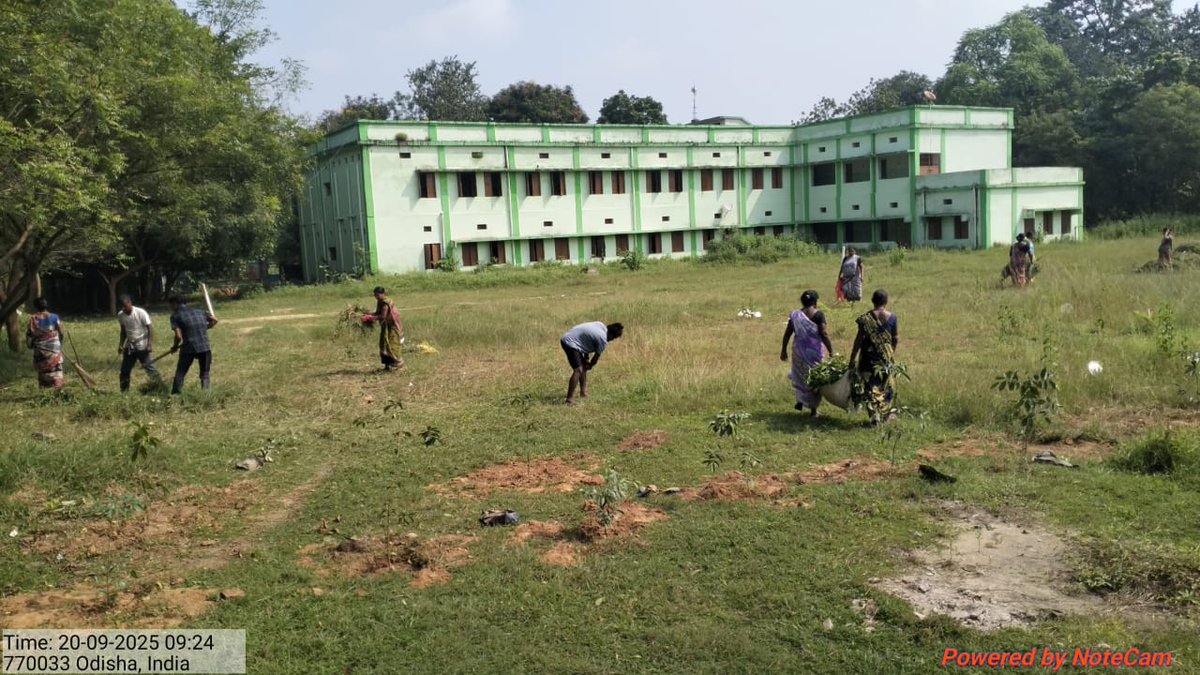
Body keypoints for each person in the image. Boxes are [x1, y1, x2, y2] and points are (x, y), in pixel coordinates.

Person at [780, 290, 834, 416]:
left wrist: (783, 349)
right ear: (815, 302)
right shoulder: (818, 315)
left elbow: (788, 333)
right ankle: (813, 410)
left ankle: (800, 400)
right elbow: (824, 334)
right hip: (814, 353)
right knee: (814, 379)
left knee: (800, 375)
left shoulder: (795, 315)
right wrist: (831, 350)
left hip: (798, 351)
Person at [849, 289, 899, 425]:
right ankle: (885, 415)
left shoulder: (865, 319)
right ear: (886, 301)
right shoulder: (892, 318)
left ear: (872, 301)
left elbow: (858, 341)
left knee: (871, 387)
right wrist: (890, 352)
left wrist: (852, 358)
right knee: (886, 386)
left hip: (868, 359)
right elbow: (895, 338)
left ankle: (875, 418)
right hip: (885, 358)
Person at [560, 321, 623, 405]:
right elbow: (595, 358)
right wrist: (590, 365)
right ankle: (569, 399)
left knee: (583, 367)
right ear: (612, 335)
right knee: (578, 370)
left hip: (569, 337)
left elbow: (586, 340)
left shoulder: (600, 325)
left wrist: (586, 358)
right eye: (613, 338)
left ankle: (583, 392)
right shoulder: (603, 339)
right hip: (570, 342)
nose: (611, 340)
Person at [168, 294, 218, 394]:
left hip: (188, 347)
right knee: (205, 373)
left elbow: (178, 336)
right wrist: (203, 329)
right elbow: (214, 321)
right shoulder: (199, 311)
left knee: (181, 372)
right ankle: (206, 395)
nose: (171, 308)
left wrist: (174, 347)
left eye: (171, 305)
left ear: (175, 304)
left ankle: (175, 395)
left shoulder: (175, 316)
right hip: (204, 346)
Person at [116, 294, 160, 392]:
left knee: (149, 368)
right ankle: (124, 391)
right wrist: (121, 345)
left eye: (125, 306)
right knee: (124, 371)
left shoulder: (140, 312)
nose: (124, 308)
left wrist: (149, 344)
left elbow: (150, 328)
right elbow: (123, 331)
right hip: (130, 346)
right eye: (121, 307)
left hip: (142, 345)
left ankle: (159, 386)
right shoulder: (120, 315)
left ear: (130, 303)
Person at [25, 297, 65, 390]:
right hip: (54, 349)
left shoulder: (33, 319)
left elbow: (30, 335)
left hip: (39, 350)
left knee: (42, 368)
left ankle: (44, 387)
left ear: (36, 307)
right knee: (56, 367)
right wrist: (59, 344)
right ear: (46, 305)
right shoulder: (54, 317)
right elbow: (61, 333)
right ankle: (57, 388)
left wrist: (31, 344)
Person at [367, 286, 404, 370]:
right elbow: (377, 313)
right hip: (385, 326)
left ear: (383, 294)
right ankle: (387, 365)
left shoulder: (386, 302)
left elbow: (383, 316)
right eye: (375, 295)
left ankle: (399, 363)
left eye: (377, 295)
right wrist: (368, 315)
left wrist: (371, 318)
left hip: (393, 326)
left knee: (392, 344)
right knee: (384, 344)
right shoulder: (380, 302)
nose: (376, 297)